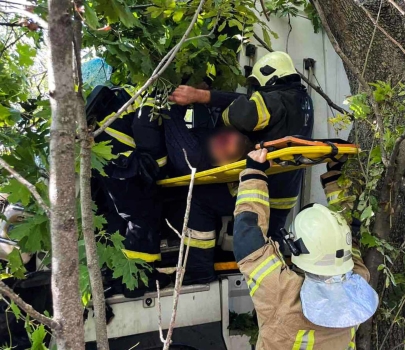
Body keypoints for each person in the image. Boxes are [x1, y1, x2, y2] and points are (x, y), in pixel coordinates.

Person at [231, 148, 379, 349]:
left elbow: (248, 242)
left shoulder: (284, 296)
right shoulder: (358, 284)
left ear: (295, 247)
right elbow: (348, 238)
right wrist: (335, 176)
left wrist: (253, 173)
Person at [169, 51, 314, 247]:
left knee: (198, 198)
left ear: (268, 76)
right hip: (285, 194)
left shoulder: (276, 99)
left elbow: (242, 115)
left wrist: (223, 116)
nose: (256, 91)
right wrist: (204, 96)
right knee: (271, 244)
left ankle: (199, 269)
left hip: (262, 188)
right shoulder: (304, 100)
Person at [88, 85, 172, 297]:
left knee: (118, 220)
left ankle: (119, 277)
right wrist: (159, 166)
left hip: (108, 167)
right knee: (143, 220)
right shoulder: (149, 92)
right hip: (127, 168)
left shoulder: (119, 97)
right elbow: (146, 128)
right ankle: (138, 281)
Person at [162, 104, 254, 284]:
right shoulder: (206, 138)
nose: (225, 141)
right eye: (227, 137)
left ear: (224, 165)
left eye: (228, 150)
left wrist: (171, 102)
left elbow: (169, 112)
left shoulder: (192, 157)